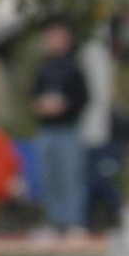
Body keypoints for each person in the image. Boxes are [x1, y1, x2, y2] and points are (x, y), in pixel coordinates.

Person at [29, 18, 90, 237]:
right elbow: (33, 96)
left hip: (67, 130)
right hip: (46, 130)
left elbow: (83, 98)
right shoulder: (43, 68)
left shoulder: (74, 67)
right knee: (49, 177)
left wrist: (64, 107)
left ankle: (73, 221)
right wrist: (40, 106)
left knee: (69, 177)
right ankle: (54, 221)